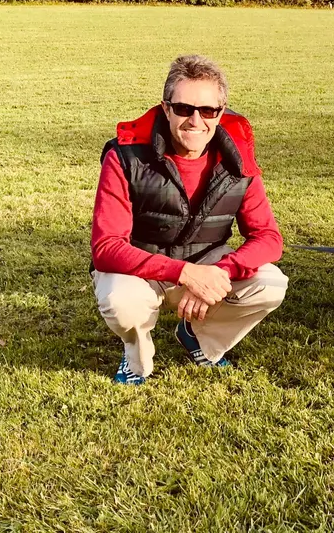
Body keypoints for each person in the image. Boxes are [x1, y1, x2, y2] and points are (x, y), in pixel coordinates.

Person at [91, 55, 288, 384]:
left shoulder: (239, 160)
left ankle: (201, 339)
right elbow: (106, 247)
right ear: (166, 109)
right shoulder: (124, 156)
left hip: (208, 264)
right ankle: (135, 359)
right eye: (184, 108)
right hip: (142, 269)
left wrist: (217, 274)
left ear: (221, 114)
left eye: (208, 111)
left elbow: (269, 237)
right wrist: (185, 273)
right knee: (120, 302)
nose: (196, 120)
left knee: (271, 284)